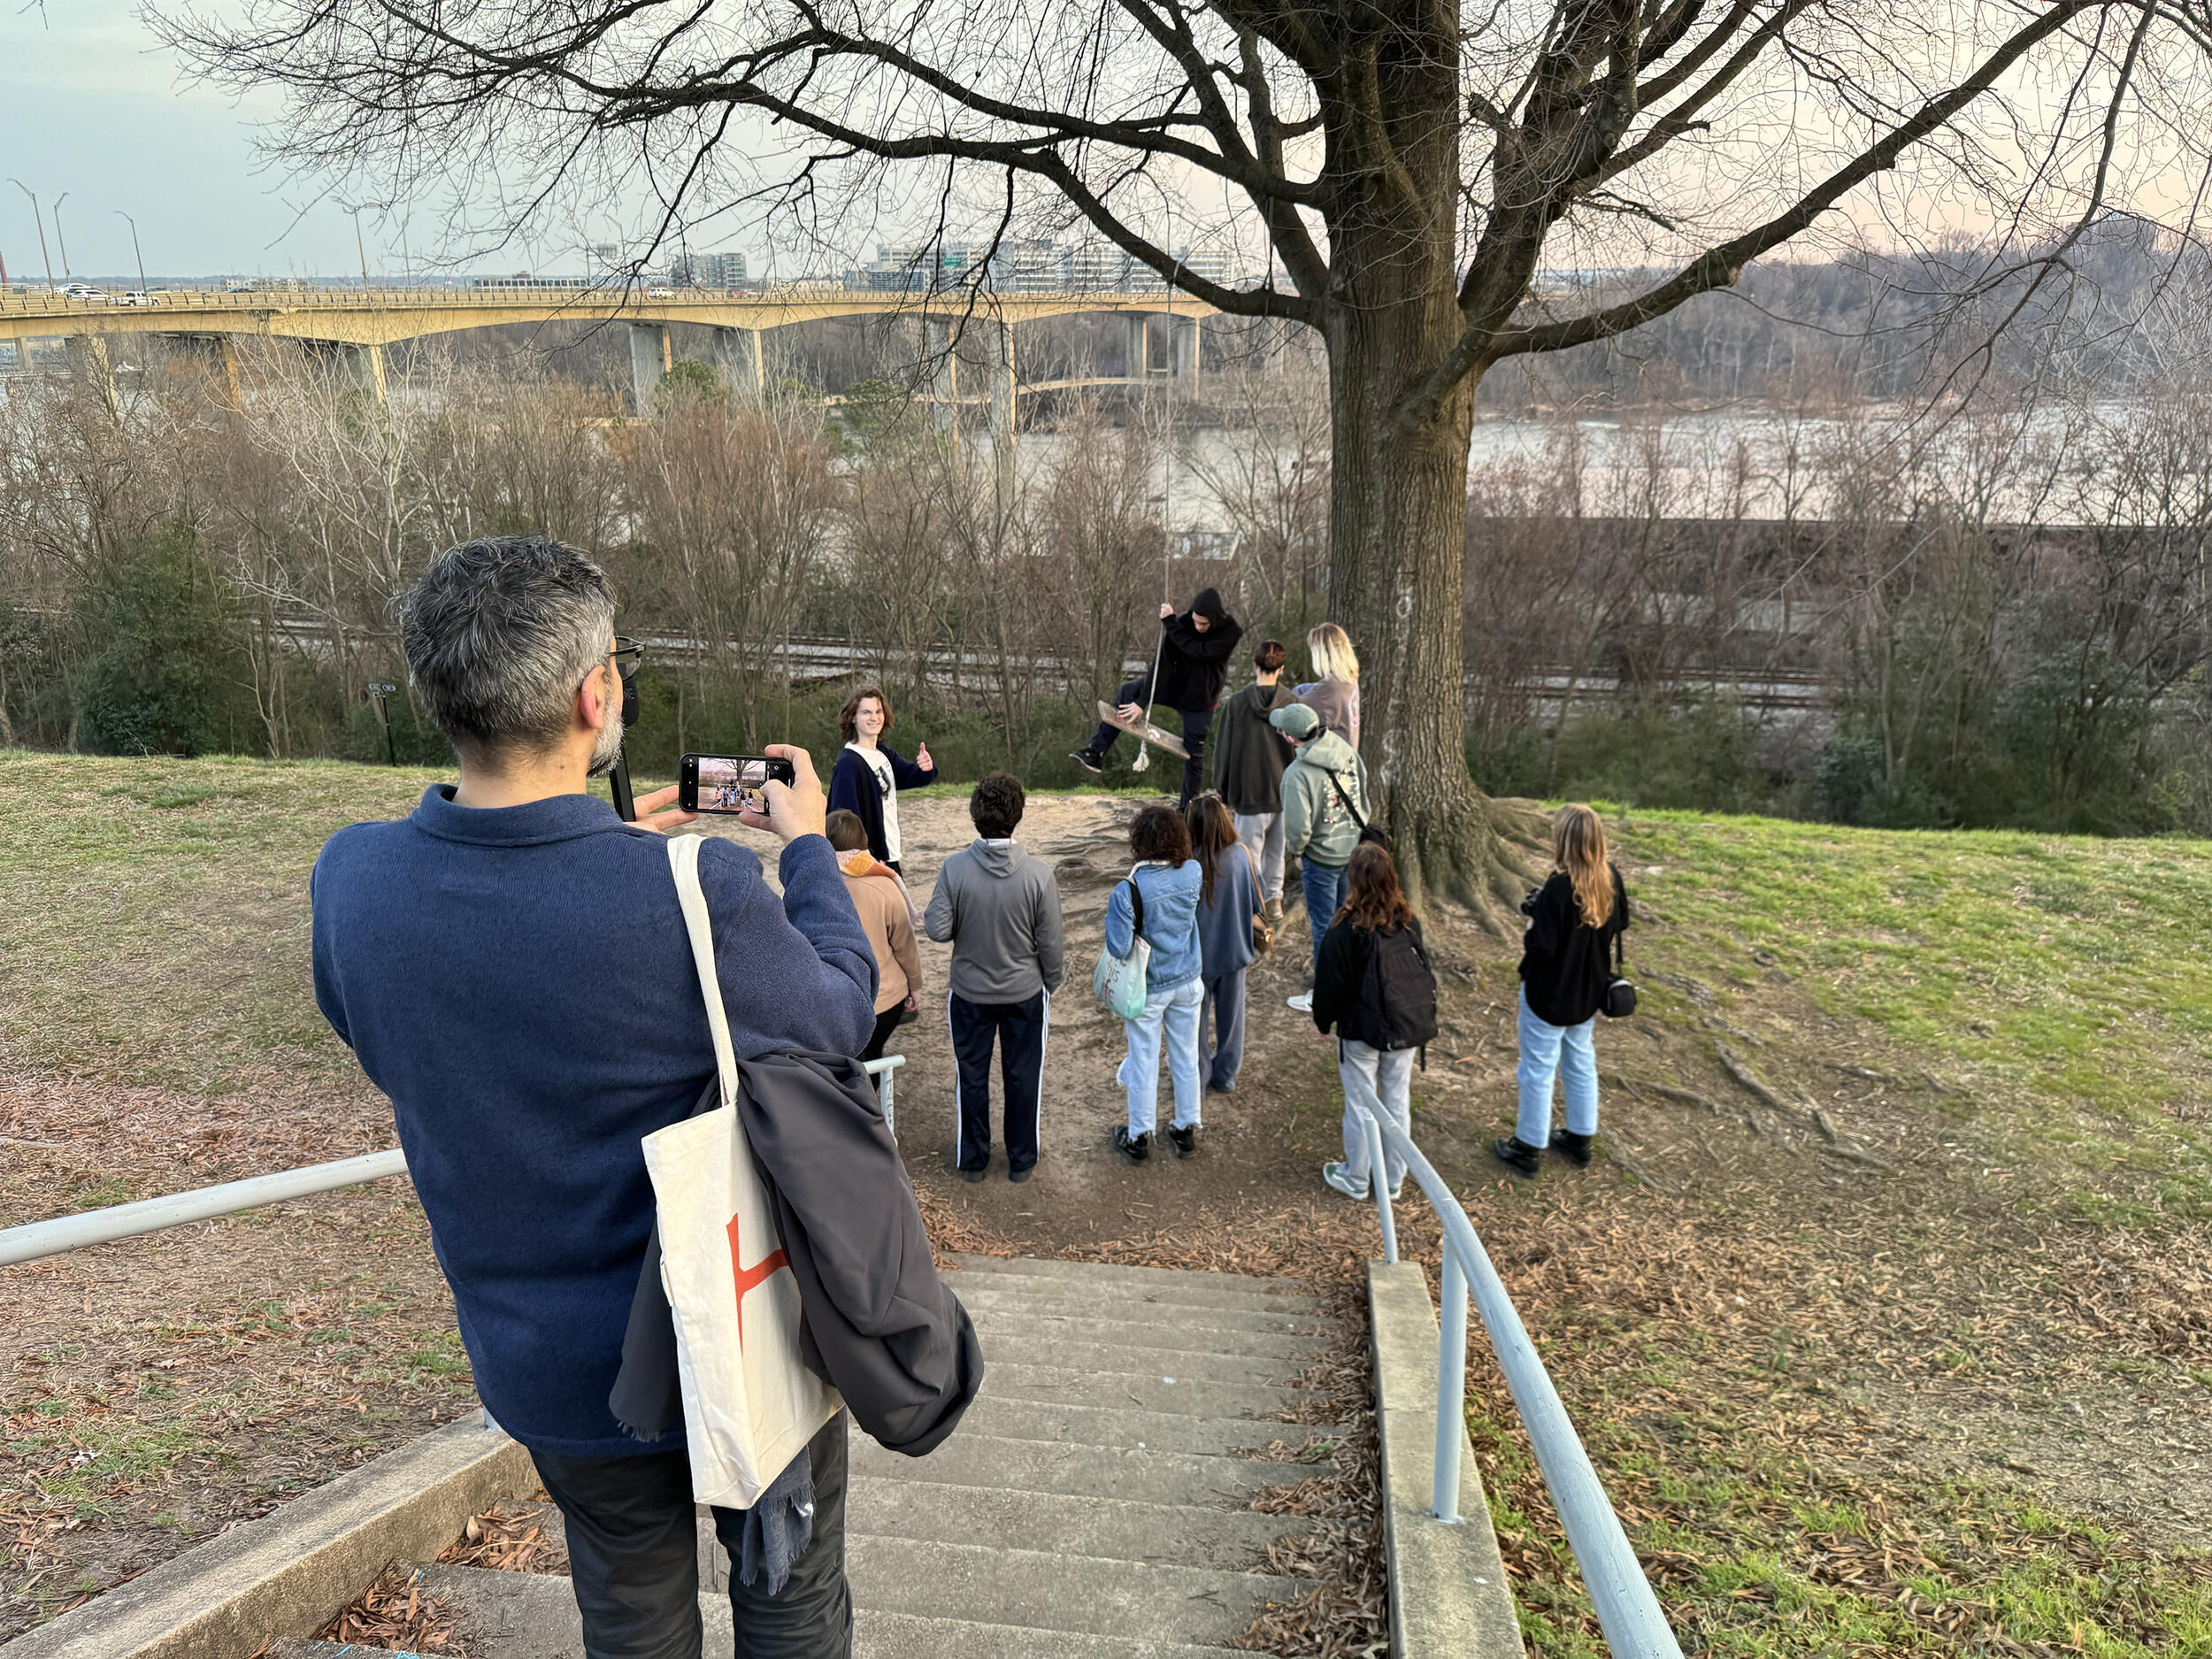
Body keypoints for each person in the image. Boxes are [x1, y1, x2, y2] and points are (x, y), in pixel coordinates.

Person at [309, 535, 876, 1659]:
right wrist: (809, 849)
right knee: (789, 1594)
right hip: (737, 1329)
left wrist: (599, 858)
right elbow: (839, 1012)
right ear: (593, 694)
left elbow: (405, 1028)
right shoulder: (701, 889)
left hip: (550, 1370)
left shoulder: (353, 882)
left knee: (626, 1613)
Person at [925, 772, 1066, 1183]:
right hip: (1025, 992)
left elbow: (937, 930)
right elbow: (1051, 943)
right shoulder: (1039, 875)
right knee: (1023, 1076)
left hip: (970, 993)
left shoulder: (954, 869)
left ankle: (973, 1162)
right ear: (1018, 815)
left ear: (975, 815)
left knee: (971, 1076)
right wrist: (1051, 983)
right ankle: (1021, 1161)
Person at [1494, 804, 1632, 1179]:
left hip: (1549, 994)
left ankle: (1527, 1146)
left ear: (1565, 841)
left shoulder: (1558, 888)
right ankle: (1580, 1137)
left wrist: (1533, 921)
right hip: (1588, 991)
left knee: (1538, 1068)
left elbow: (1542, 947)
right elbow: (1620, 923)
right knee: (1580, 1060)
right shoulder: (1611, 879)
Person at [1309, 843, 1435, 1202]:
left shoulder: (1344, 929)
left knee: (1360, 1105)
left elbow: (1329, 985)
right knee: (1397, 1101)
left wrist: (1323, 1023)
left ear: (1353, 879)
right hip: (1404, 1028)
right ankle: (1393, 1180)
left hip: (1360, 1032)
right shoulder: (1408, 922)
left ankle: (1357, 1178)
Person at [1071, 588, 1244, 806]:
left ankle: (1187, 809)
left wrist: (1171, 624)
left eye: (1204, 624)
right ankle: (1095, 752)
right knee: (1128, 691)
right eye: (1195, 621)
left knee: (1194, 756)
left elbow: (1200, 651)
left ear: (1215, 619)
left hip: (1200, 700)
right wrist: (1142, 701)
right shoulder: (1182, 624)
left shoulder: (1231, 632)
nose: (1198, 627)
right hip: (1173, 687)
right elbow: (1161, 662)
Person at [1103, 803, 1205, 1163]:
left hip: (1148, 988)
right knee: (1186, 1054)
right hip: (1188, 978)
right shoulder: (1193, 872)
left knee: (1144, 1058)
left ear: (1139, 842)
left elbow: (1118, 947)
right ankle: (1185, 1128)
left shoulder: (1128, 890)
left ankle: (1139, 1136)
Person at [1271, 701, 1371, 1014]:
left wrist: (1298, 853)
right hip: (1354, 853)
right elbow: (1363, 790)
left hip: (1322, 860)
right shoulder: (1346, 751)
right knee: (1350, 919)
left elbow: (1298, 828)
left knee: (1323, 927)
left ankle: (1325, 992)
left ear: (1291, 738)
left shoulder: (1296, 775)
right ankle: (1353, 981)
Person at [1209, 639, 1297, 926]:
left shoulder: (1236, 704)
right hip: (1285, 791)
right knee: (1276, 852)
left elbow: (1224, 750)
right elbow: (1300, 749)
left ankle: (1252, 907)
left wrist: (1223, 790)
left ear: (1255, 666)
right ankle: (1274, 902)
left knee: (1248, 855)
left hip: (1249, 792)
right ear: (1281, 669)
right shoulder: (1292, 704)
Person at [826, 808, 922, 1066]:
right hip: (885, 999)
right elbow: (905, 945)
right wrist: (915, 986)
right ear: (864, 840)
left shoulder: (810, 883)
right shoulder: (885, 884)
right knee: (874, 1058)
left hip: (834, 1001)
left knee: (847, 1064)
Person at [1187, 793, 1261, 1094]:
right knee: (1232, 1020)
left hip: (1197, 957)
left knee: (1195, 1023)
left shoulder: (1187, 864)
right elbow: (1257, 902)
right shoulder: (1242, 855)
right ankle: (1226, 1075)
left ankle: (1197, 1077)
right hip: (1235, 951)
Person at [827, 685, 934, 872]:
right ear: (853, 717)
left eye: (878, 711)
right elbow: (844, 821)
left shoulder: (883, 753)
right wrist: (866, 860)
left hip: (890, 855)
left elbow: (913, 777)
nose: (874, 717)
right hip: (869, 862)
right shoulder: (848, 764)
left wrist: (926, 768)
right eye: (866, 712)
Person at [1296, 622, 1361, 751]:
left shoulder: (1330, 688)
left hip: (1332, 758)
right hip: (1347, 755)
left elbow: (1294, 710)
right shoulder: (1348, 680)